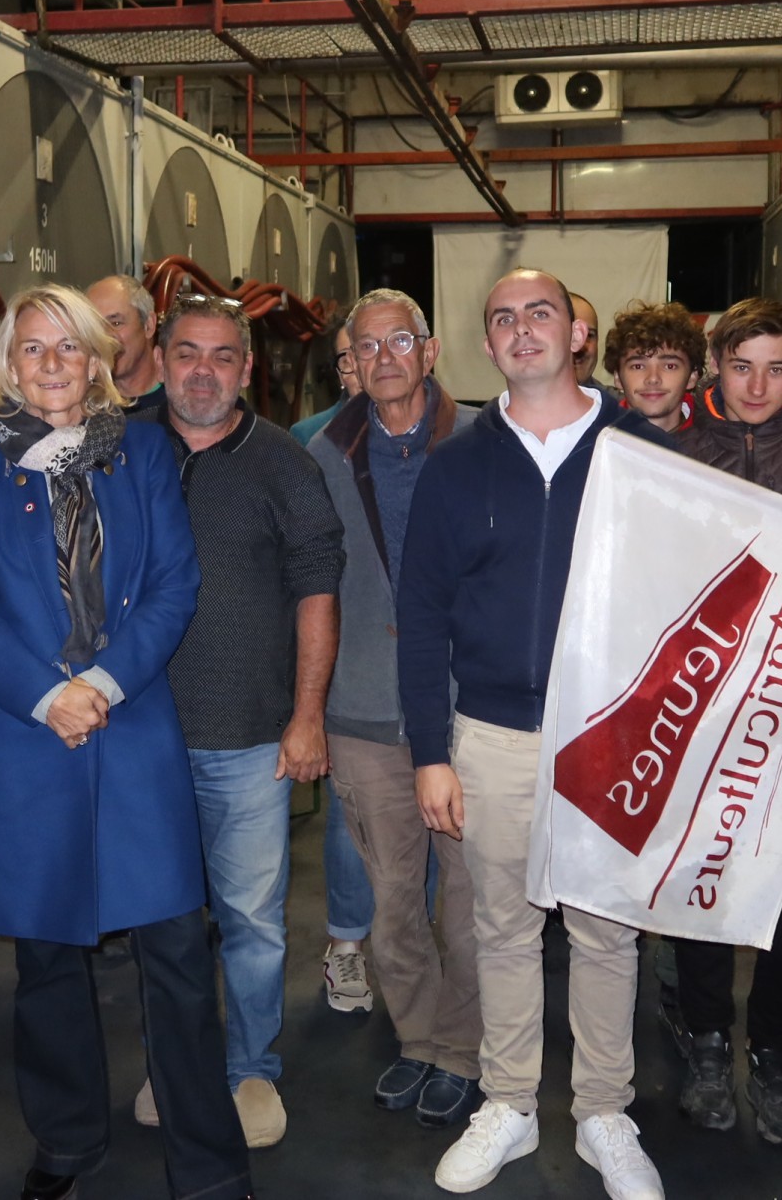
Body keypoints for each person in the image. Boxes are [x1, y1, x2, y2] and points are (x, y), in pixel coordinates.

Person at [0, 284, 253, 1200]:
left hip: (133, 722)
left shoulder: (143, 451)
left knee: (179, 956)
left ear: (96, 359)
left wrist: (103, 684)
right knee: (46, 958)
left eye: (69, 347)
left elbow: (174, 586)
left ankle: (208, 1160)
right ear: (8, 365)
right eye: (32, 349)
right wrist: (46, 694)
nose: (52, 364)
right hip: (23, 736)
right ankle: (68, 1141)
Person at [400, 267, 672, 1199]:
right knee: (502, 928)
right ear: (489, 343)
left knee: (606, 933)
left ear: (577, 334)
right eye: (503, 319)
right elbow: (422, 613)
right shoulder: (456, 464)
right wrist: (431, 752)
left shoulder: (644, 452)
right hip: (494, 735)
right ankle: (511, 1101)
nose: (523, 331)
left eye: (541, 314)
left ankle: (603, 1110)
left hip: (612, 737)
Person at [138, 293, 345, 1148]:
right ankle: (178, 1064)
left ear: (248, 370)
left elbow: (318, 593)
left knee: (254, 918)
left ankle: (251, 1068)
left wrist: (307, 717)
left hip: (252, 740)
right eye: (187, 352)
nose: (203, 372)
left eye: (224, 356)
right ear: (159, 359)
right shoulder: (121, 451)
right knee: (164, 917)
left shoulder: (284, 464)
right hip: (141, 739)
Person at [662, 299, 782, 1148]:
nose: (759, 385)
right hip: (702, 712)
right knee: (701, 894)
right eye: (743, 366)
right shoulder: (676, 453)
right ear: (716, 366)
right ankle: (707, 1044)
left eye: (778, 367)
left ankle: (773, 1052)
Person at [309, 288, 484, 1129]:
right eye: (367, 345)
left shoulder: (486, 440)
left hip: (472, 710)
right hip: (366, 710)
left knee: (473, 898)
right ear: (351, 359)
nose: (385, 357)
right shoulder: (322, 451)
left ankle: (465, 1048)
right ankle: (418, 1041)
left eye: (400, 340)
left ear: (431, 348)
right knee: (391, 899)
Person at [289, 318, 381, 1016]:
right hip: (341, 650)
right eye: (350, 354)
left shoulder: (444, 432)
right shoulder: (310, 442)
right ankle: (346, 946)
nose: (362, 365)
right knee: (351, 821)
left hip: (411, 659)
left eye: (376, 350)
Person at [604, 301, 703, 432]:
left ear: (692, 377)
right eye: (638, 366)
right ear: (617, 377)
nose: (653, 379)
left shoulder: (720, 443)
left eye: (670, 366)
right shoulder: (592, 442)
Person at [86, 273, 166, 410]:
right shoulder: (83, 408)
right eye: (95, 326)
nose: (106, 337)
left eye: (116, 323)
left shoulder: (182, 401)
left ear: (149, 325)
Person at [289, 318, 357, 445]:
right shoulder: (308, 435)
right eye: (346, 361)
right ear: (340, 375)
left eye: (367, 350)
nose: (359, 369)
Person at [568, 291, 603, 390]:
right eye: (570, 333)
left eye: (589, 335)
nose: (579, 345)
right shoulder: (522, 403)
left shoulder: (616, 403)